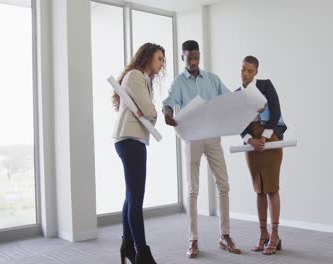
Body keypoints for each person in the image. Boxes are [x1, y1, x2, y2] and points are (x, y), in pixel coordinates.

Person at [162, 40, 241, 258]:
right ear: (183, 58)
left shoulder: (213, 79)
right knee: (192, 190)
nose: (194, 62)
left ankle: (225, 236)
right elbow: (168, 102)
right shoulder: (178, 83)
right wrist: (167, 113)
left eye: (196, 57)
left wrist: (248, 101)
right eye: (189, 58)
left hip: (213, 137)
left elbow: (229, 99)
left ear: (200, 56)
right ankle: (193, 239)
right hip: (192, 139)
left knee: (223, 184)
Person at [112, 43, 165, 264]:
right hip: (131, 139)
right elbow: (151, 111)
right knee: (136, 199)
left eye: (163, 60)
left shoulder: (141, 78)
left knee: (131, 196)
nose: (162, 64)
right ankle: (142, 252)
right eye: (159, 58)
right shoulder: (135, 76)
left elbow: (148, 111)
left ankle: (127, 246)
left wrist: (149, 112)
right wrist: (151, 112)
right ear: (147, 57)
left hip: (130, 139)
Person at [237, 55, 287, 255]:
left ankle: (275, 235)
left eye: (249, 70)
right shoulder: (236, 94)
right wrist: (249, 139)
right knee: (258, 189)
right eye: (243, 69)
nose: (245, 74)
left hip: (270, 137)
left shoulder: (266, 86)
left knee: (272, 188)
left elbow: (275, 112)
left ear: (256, 71)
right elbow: (237, 121)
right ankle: (263, 234)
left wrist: (265, 137)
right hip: (251, 143)